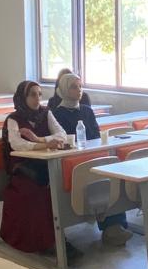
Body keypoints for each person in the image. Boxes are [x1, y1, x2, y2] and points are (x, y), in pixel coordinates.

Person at [47, 71, 128, 246]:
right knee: (94, 177)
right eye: (74, 87)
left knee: (111, 176)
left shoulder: (87, 110)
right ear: (64, 90)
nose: (79, 90)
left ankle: (114, 227)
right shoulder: (56, 114)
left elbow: (96, 135)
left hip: (93, 155)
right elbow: (64, 141)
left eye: (80, 86)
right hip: (73, 160)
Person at [0, 79, 76, 258]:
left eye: (39, 94)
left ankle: (57, 237)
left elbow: (61, 134)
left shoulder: (45, 113)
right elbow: (17, 144)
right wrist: (44, 145)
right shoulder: (13, 119)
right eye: (32, 95)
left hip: (46, 165)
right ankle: (45, 241)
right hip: (23, 170)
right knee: (36, 192)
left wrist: (39, 139)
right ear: (23, 97)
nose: (37, 98)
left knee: (59, 185)